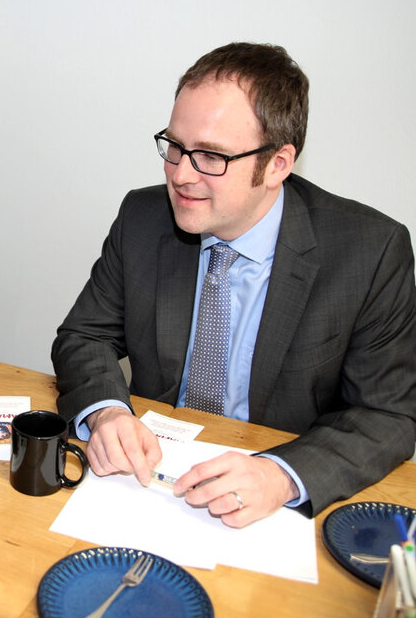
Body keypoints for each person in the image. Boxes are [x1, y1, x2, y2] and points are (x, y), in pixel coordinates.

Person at [52, 42, 416, 528]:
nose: (181, 175)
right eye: (175, 146)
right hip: (147, 486)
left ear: (278, 164)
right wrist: (107, 412)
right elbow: (84, 335)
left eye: (211, 156)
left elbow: (388, 416)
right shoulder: (143, 217)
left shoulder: (369, 251)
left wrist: (282, 475)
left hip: (269, 507)